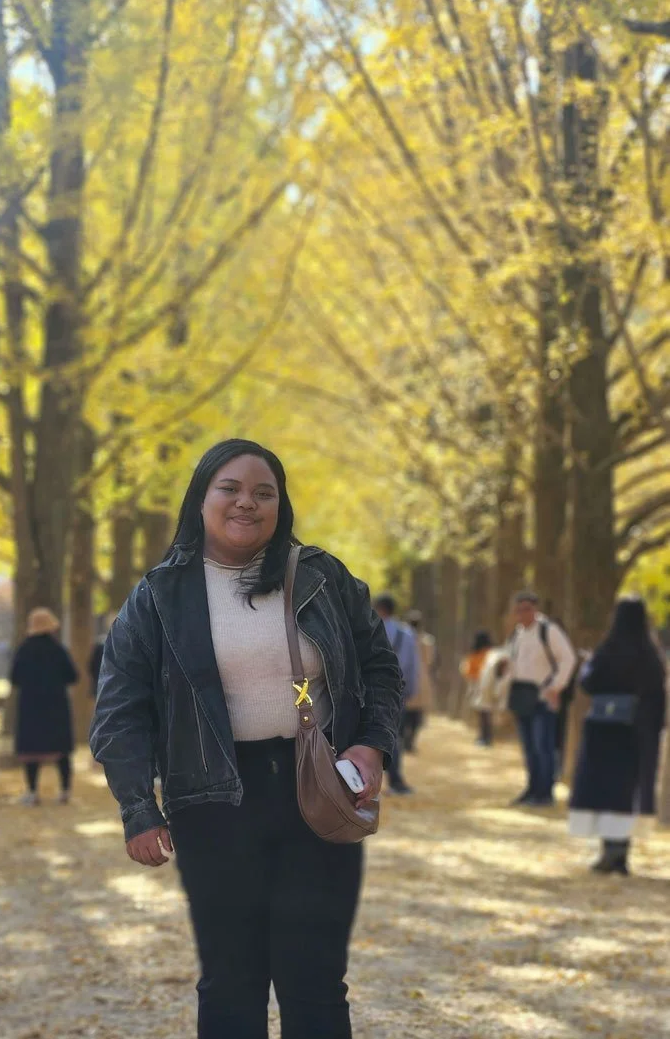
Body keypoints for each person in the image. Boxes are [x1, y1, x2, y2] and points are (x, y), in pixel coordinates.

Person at [90, 438, 402, 1039]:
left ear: (280, 504)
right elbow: (120, 711)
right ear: (201, 498)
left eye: (264, 492)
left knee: (315, 980)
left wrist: (372, 743)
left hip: (318, 790)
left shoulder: (321, 576)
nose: (247, 503)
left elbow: (381, 668)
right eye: (229, 489)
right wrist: (138, 809)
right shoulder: (158, 595)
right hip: (210, 802)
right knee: (231, 982)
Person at [569, 596, 667, 875]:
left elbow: (589, 683)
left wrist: (587, 665)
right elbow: (657, 696)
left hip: (603, 728)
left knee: (604, 790)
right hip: (633, 731)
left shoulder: (607, 650)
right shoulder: (650, 655)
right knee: (625, 792)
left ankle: (608, 850)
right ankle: (620, 852)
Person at [506, 589, 576, 806]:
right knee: (528, 747)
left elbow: (568, 659)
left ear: (535, 609)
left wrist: (555, 687)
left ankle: (545, 793)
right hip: (522, 696)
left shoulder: (548, 630)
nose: (523, 614)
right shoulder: (516, 635)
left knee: (542, 746)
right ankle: (532, 788)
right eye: (518, 610)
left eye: (527, 609)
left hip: (543, 697)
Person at [10, 608, 78, 805]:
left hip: (30, 706)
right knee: (61, 749)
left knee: (31, 750)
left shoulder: (24, 649)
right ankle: (65, 791)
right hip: (56, 705)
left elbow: (14, 678)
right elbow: (73, 676)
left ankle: (32, 792)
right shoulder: (58, 649)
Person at [373, 594, 418, 794]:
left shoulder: (367, 628)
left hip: (369, 689)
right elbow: (411, 666)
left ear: (379, 609)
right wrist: (410, 691)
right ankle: (396, 781)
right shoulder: (405, 634)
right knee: (394, 736)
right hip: (395, 690)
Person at [403, 608, 437, 752]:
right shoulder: (428, 641)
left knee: (405, 711)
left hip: (405, 676)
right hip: (422, 677)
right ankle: (411, 740)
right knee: (418, 712)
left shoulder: (403, 637)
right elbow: (430, 660)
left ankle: (405, 739)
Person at [460, 631, 495, 746]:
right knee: (487, 713)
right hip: (489, 686)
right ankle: (486, 737)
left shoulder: (474, 655)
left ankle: (484, 737)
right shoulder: (491, 653)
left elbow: (468, 671)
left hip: (478, 686)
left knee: (482, 714)